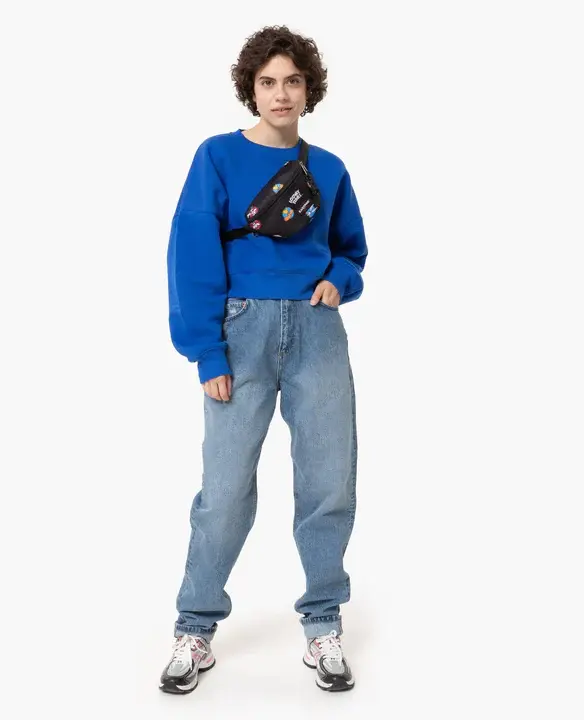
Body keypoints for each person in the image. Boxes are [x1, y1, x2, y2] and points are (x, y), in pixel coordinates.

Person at [160, 25, 368, 694]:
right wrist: (206, 351)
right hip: (240, 330)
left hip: (317, 330)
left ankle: (323, 623)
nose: (281, 93)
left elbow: (351, 250)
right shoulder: (217, 156)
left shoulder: (328, 168)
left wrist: (339, 280)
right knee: (223, 490)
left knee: (329, 482)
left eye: (293, 81)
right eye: (268, 81)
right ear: (250, 89)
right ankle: (195, 627)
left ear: (310, 89)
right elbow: (191, 253)